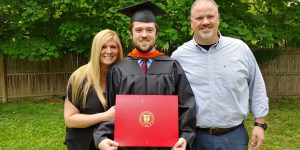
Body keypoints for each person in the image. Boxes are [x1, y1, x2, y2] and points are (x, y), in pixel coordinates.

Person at [93, 1, 196, 150]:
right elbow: (111, 110)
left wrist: (185, 137)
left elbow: (186, 105)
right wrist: (102, 137)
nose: (144, 35)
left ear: (156, 33)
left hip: (166, 146)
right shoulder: (119, 69)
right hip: (127, 146)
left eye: (149, 30)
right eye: (139, 30)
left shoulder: (172, 66)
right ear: (131, 34)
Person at [171, 0, 269, 150]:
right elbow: (170, 96)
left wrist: (260, 123)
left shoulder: (240, 49)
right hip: (195, 138)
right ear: (191, 22)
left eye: (210, 16)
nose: (205, 22)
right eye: (199, 18)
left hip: (234, 137)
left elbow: (257, 86)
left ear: (218, 19)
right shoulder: (179, 56)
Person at [64, 29, 123, 150]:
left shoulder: (124, 77)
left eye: (113, 47)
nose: (109, 51)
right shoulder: (79, 77)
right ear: (96, 49)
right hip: (84, 144)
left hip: (114, 145)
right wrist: (105, 116)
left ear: (119, 50)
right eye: (103, 47)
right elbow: (70, 119)